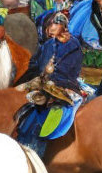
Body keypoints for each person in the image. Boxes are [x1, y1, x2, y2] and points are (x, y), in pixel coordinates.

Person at [15, 11, 83, 156]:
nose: (51, 28)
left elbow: (67, 69)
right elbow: (34, 64)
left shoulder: (73, 44)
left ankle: (33, 151)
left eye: (55, 24)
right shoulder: (47, 44)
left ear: (63, 26)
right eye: (49, 24)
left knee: (43, 115)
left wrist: (48, 79)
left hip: (63, 86)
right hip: (42, 83)